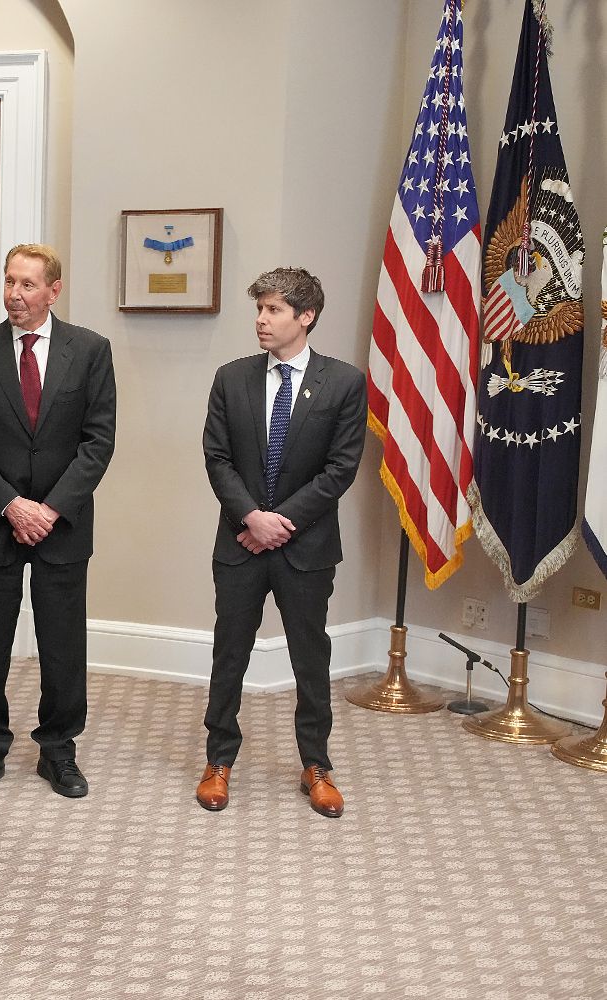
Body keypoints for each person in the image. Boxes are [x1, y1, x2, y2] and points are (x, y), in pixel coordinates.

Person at [0, 243, 116, 799]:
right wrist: (11, 505)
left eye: (26, 285)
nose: (14, 295)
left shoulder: (90, 350)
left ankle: (58, 749)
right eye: (9, 283)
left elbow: (98, 442)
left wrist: (49, 508)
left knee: (63, 641)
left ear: (54, 291)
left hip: (61, 522)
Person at [197, 266, 365, 819]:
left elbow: (340, 470)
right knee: (230, 654)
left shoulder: (342, 382)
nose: (261, 321)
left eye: (273, 311)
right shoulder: (232, 377)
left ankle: (316, 765)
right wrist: (251, 515)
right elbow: (217, 458)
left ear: (306, 316)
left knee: (310, 657)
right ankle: (219, 759)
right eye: (260, 310)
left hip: (305, 547)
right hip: (240, 541)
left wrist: (279, 522)